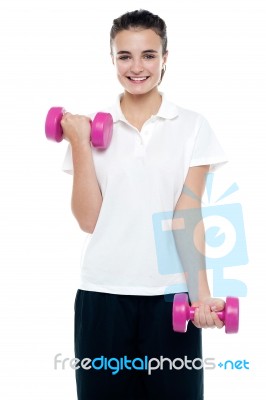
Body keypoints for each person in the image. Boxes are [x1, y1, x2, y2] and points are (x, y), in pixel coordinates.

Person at [61, 9, 228, 400]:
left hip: (171, 301)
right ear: (112, 58)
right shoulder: (89, 129)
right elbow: (89, 221)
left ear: (165, 57)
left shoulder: (192, 126)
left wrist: (201, 296)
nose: (137, 67)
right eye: (125, 56)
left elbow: (188, 214)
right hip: (102, 295)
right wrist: (80, 144)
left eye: (149, 55)